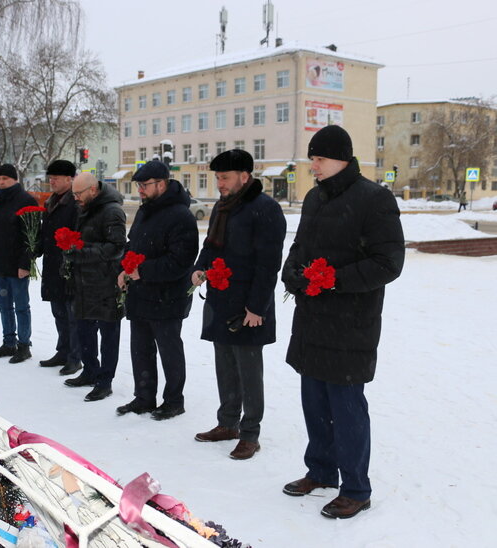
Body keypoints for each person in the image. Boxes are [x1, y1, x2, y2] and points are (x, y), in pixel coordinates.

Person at [281, 125, 404, 519]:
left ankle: (355, 487)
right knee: (313, 401)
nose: (311, 165)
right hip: (312, 320)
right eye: (311, 158)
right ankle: (320, 471)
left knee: (347, 407)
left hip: (351, 323)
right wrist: (291, 273)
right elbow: (300, 246)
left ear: (341, 159)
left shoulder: (375, 199)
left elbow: (388, 263)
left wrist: (333, 279)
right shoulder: (315, 197)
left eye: (317, 158)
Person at [190, 149, 286, 460]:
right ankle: (227, 423)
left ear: (245, 176)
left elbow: (268, 264)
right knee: (225, 366)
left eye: (225, 177)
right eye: (217, 177)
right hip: (220, 297)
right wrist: (199, 267)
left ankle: (250, 433)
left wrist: (257, 308)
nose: (219, 183)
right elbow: (210, 245)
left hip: (248, 305)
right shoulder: (222, 206)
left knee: (248, 370)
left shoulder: (265, 209)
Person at [116, 160, 199, 420]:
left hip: (167, 297)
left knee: (169, 351)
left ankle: (174, 401)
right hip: (141, 293)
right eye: (138, 184)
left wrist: (144, 271)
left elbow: (181, 260)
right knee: (140, 349)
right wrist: (125, 267)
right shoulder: (145, 211)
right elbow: (133, 244)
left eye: (145, 185)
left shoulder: (181, 215)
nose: (140, 189)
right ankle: (144, 398)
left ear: (161, 184)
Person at [62, 173, 126, 402]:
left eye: (78, 193)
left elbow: (116, 248)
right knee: (84, 330)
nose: (76, 198)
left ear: (93, 190)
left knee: (108, 334)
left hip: (106, 283)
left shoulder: (112, 211)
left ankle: (104, 381)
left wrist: (80, 252)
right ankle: (89, 371)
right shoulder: (85, 207)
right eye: (73, 194)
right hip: (83, 281)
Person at [0, 164, 38, 364]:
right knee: (4, 305)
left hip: (17, 264)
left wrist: (25, 264)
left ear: (15, 179)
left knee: (21, 306)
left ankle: (24, 345)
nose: (1, 182)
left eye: (5, 179)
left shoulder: (26, 201)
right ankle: (8, 342)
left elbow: (32, 237)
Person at [36, 159, 82, 376]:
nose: (51, 181)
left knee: (73, 315)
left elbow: (79, 234)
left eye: (56, 178)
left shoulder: (76, 202)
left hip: (70, 266)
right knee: (59, 313)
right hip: (53, 265)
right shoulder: (52, 201)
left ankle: (75, 357)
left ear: (69, 179)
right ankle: (62, 351)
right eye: (50, 178)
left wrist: (70, 256)